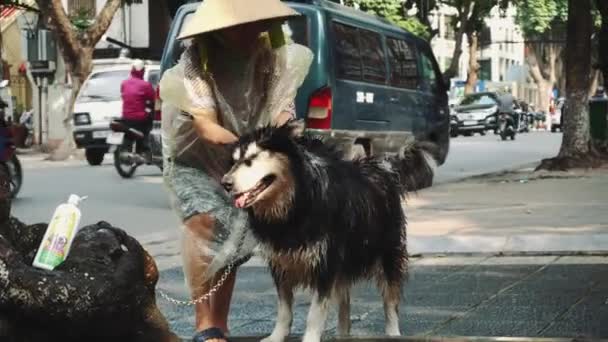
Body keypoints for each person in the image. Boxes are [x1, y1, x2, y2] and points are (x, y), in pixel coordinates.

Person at [158, 1, 313, 341]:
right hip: (195, 159)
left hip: (245, 157)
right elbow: (206, 126)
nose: (248, 32)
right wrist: (248, 147)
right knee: (204, 221)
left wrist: (281, 137)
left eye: (254, 24)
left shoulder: (275, 58)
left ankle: (220, 325)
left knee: (232, 234)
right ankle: (204, 325)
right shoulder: (194, 63)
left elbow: (281, 109)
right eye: (238, 26)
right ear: (217, 29)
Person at [120, 59, 156, 154]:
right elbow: (153, 99)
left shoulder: (124, 83)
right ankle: (144, 146)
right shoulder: (145, 85)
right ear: (142, 71)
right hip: (139, 118)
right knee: (148, 124)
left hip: (125, 117)